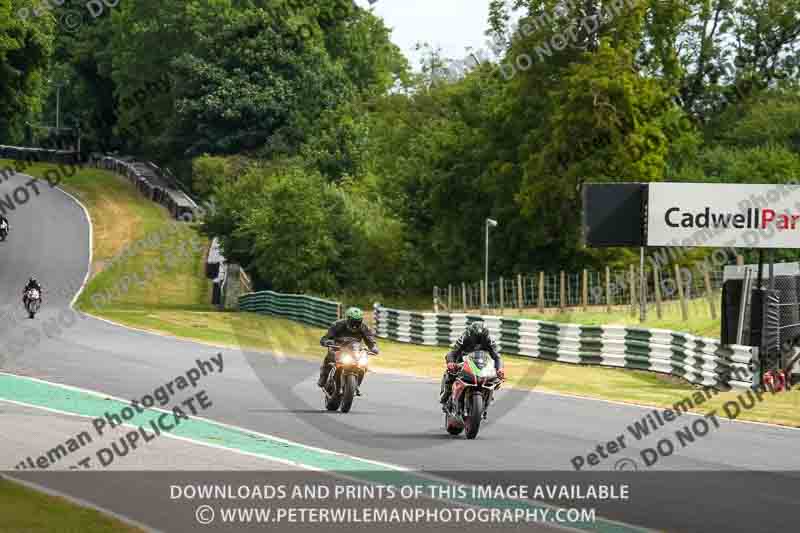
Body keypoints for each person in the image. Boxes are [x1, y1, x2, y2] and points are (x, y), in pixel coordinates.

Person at [440, 321, 505, 406]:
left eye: (481, 338)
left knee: (495, 379)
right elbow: (452, 353)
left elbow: (497, 357)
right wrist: (451, 363)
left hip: (481, 363)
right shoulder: (464, 338)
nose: (478, 341)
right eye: (476, 337)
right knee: (451, 373)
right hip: (462, 361)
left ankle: (487, 395)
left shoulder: (489, 340)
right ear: (470, 334)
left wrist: (499, 368)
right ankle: (446, 394)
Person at [318, 307, 379, 393]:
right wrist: (327, 342)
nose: (355, 324)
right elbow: (325, 338)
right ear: (348, 319)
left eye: (357, 321)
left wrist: (373, 347)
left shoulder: (364, 327)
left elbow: (370, 340)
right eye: (353, 321)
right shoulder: (337, 325)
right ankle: (323, 377)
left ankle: (356, 385)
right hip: (338, 348)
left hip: (355, 351)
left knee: (364, 364)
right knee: (330, 356)